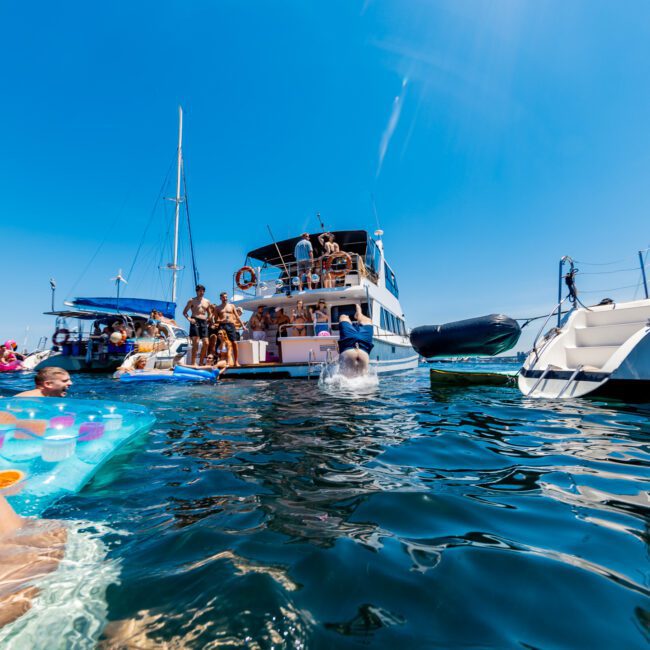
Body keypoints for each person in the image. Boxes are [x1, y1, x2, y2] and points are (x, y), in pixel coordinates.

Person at [337, 304, 374, 378]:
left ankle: (358, 315)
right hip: (361, 346)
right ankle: (359, 314)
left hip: (353, 346)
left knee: (368, 321)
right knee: (343, 317)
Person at [213, 292, 246, 367]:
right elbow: (215, 320)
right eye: (224, 297)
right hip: (222, 325)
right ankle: (217, 360)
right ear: (221, 298)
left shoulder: (232, 306)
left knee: (234, 342)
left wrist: (243, 326)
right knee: (219, 343)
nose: (225, 298)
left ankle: (236, 362)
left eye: (226, 297)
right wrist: (221, 320)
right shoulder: (217, 308)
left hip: (231, 325)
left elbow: (237, 317)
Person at [182, 285, 211, 365]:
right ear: (197, 291)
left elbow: (210, 313)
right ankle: (193, 363)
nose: (202, 292)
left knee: (206, 343)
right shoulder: (191, 300)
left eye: (203, 291)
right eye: (200, 291)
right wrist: (190, 319)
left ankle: (201, 362)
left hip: (203, 322)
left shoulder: (207, 301)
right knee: (196, 342)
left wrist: (208, 319)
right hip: (195, 321)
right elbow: (184, 312)